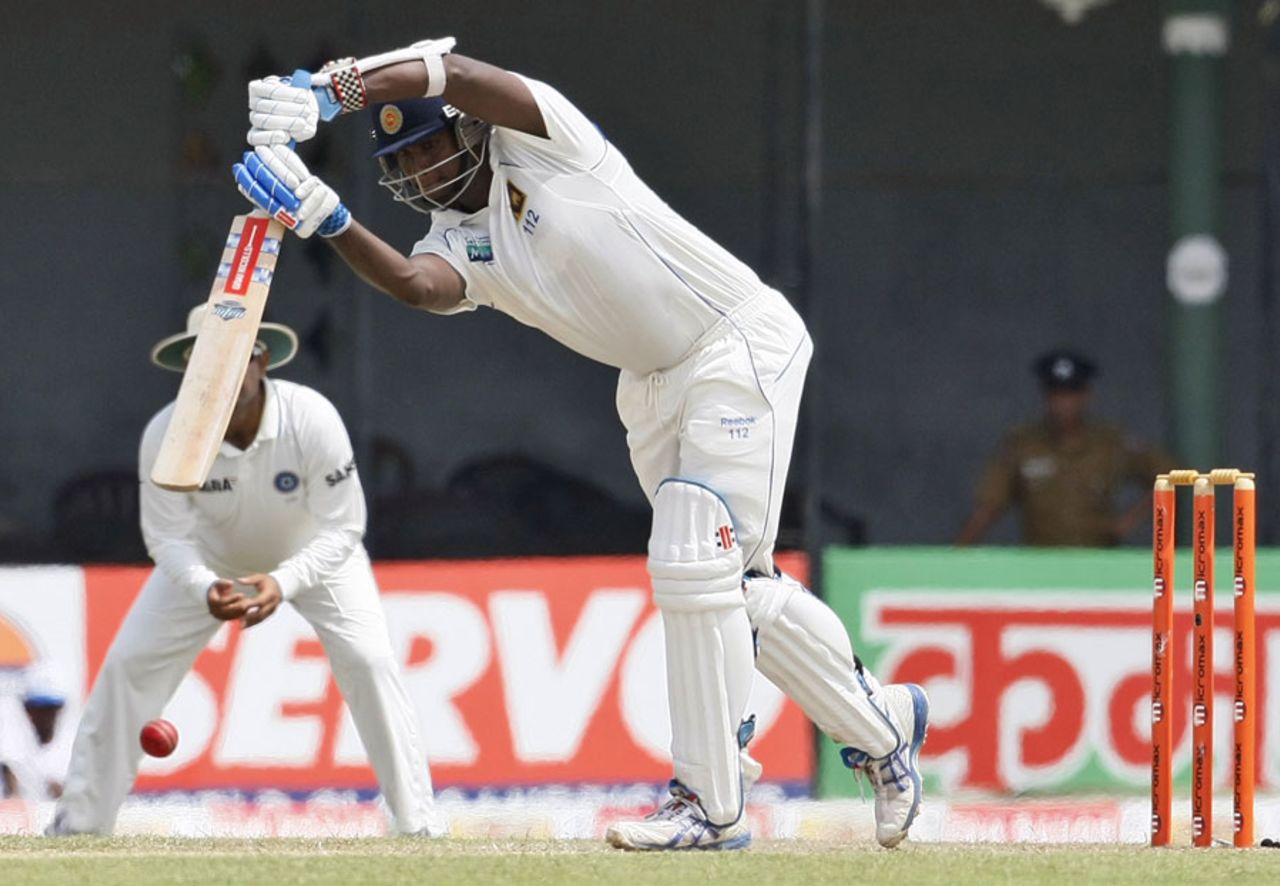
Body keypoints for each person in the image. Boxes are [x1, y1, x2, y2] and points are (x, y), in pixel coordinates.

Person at [232, 41, 928, 852]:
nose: (421, 169)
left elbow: (452, 72)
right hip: (651, 384)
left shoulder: (549, 140)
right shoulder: (457, 241)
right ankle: (884, 729)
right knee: (731, 587)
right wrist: (331, 220)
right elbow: (418, 286)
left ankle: (711, 803)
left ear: (470, 133)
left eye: (428, 146)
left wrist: (331, 89)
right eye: (403, 161)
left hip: (736, 342)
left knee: (694, 549)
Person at [47, 306, 442, 837]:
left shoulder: (310, 417)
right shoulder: (168, 432)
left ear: (260, 360)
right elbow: (167, 537)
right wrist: (205, 586)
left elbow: (345, 527)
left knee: (370, 662)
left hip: (317, 560)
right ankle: (79, 828)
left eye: (234, 357)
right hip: (208, 565)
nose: (221, 376)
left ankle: (418, 827)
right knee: (128, 666)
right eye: (205, 362)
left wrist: (285, 581)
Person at [956, 348, 1178, 546]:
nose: (1064, 403)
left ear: (1085, 396)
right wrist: (954, 556)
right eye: (1057, 394)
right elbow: (988, 506)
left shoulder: (1111, 442)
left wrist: (1129, 520)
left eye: (1071, 394)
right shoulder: (1023, 444)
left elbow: (1170, 474)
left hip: (1100, 557)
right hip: (1042, 559)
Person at [1, 663, 72, 800]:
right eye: (39, 708)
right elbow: (10, 779)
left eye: (52, 708)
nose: (46, 716)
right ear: (27, 708)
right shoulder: (13, 738)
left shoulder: (69, 740)